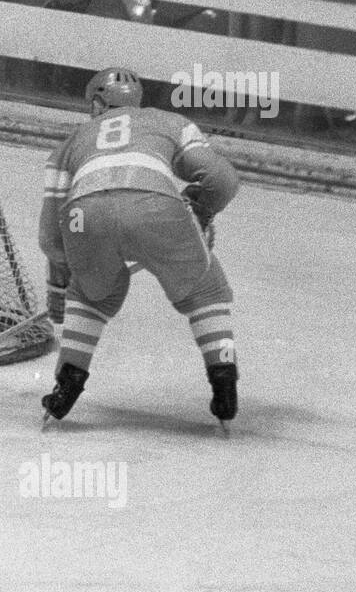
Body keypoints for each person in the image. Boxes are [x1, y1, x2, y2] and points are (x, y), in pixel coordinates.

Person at [38, 67, 240, 429]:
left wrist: (68, 278)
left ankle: (64, 388)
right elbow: (222, 180)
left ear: (98, 104)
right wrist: (201, 210)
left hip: (85, 215)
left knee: (91, 297)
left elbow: (52, 239)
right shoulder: (170, 122)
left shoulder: (68, 145)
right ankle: (224, 384)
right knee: (205, 289)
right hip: (157, 207)